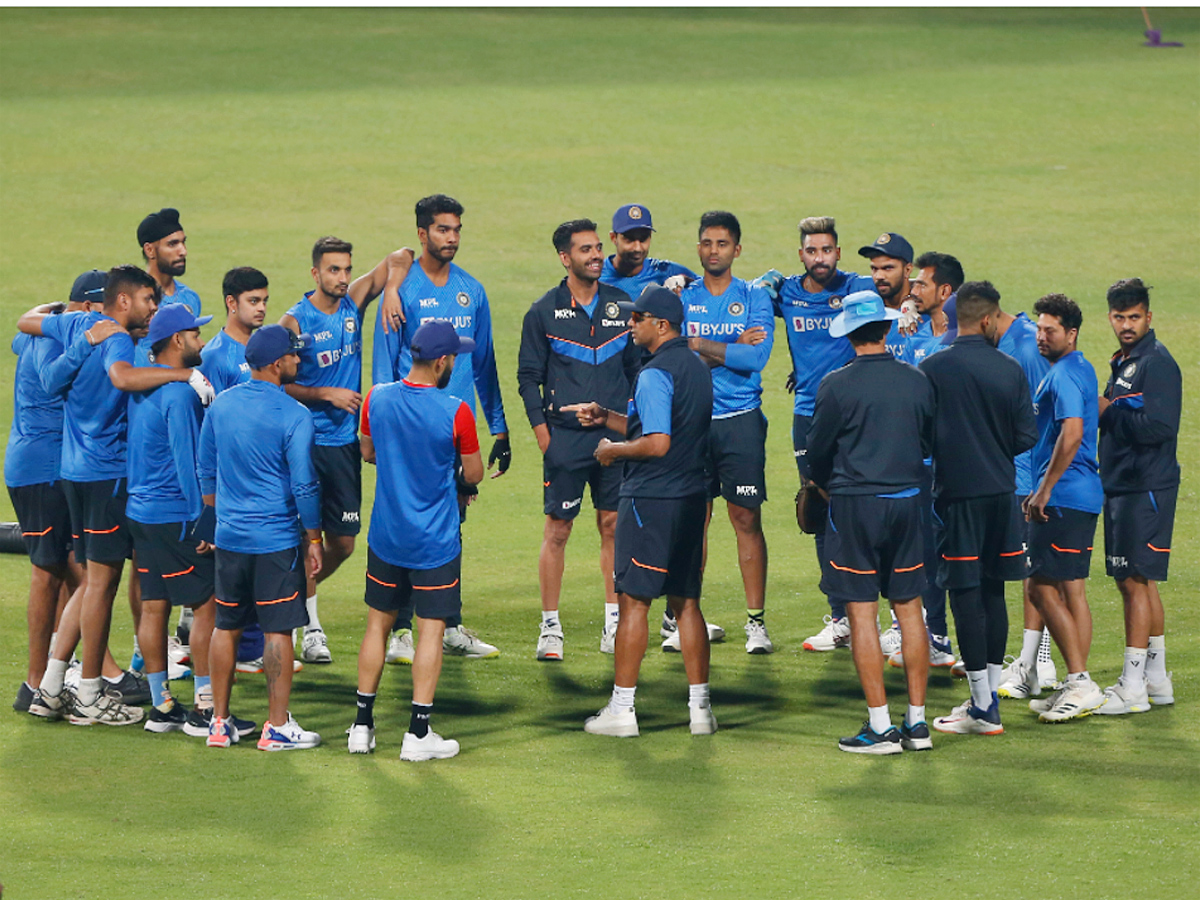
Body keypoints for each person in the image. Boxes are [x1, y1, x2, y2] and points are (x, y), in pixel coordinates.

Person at [23, 265, 212, 725]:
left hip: (71, 471)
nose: (154, 307)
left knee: (90, 582)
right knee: (101, 585)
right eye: (149, 299)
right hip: (107, 474)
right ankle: (88, 691)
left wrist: (73, 336)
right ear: (123, 301)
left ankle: (49, 687)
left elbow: (28, 327)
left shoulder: (76, 323)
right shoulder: (119, 341)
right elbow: (124, 378)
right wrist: (180, 377)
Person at [569, 286, 716, 737]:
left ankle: (622, 710)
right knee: (687, 602)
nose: (630, 324)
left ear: (662, 326)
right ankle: (700, 711)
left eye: (639, 318)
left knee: (634, 602)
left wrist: (614, 450)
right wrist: (609, 417)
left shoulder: (653, 374)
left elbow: (656, 442)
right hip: (693, 500)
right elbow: (668, 424)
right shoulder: (696, 367)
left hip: (651, 502)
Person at [372, 194, 505, 662]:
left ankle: (448, 624)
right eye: (443, 230)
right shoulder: (401, 288)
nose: (451, 238)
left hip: (455, 430)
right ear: (422, 233)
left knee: (450, 526)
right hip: (407, 427)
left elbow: (485, 363)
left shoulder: (472, 290)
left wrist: (500, 428)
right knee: (408, 524)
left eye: (457, 230)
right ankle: (402, 631)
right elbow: (383, 367)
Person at [806, 291, 934, 754]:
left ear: (848, 333)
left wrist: (819, 483)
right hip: (908, 503)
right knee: (909, 610)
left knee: (862, 611)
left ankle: (880, 728)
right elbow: (927, 439)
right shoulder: (917, 379)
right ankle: (917, 725)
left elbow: (818, 454)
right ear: (883, 329)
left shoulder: (835, 385)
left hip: (856, 507)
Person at [349, 320, 484, 760]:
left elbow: (366, 451)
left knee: (377, 626)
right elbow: (474, 472)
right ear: (442, 361)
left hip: (387, 536)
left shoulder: (377, 398)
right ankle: (417, 734)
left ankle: (361, 727)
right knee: (428, 631)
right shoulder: (456, 411)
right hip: (434, 543)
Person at [280, 236, 411, 664]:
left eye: (346, 269)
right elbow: (278, 382)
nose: (341, 278)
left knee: (345, 542)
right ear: (314, 273)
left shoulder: (354, 304)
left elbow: (401, 255)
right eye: (332, 270)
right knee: (309, 536)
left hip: (344, 447)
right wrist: (326, 395)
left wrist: (389, 288)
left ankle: (290, 596)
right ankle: (311, 628)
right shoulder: (295, 322)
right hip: (307, 443)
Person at [517, 219, 642, 661]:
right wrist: (542, 435)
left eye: (596, 248)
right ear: (564, 258)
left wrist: (631, 423)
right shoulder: (544, 311)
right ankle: (550, 627)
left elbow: (636, 370)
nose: (594, 256)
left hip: (614, 438)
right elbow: (528, 376)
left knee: (613, 526)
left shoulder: (622, 306)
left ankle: (613, 622)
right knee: (558, 530)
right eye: (584, 250)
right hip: (565, 441)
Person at [918, 282, 1038, 736]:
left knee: (964, 593)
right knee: (993, 591)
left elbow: (921, 433)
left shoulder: (932, 368)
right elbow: (1026, 436)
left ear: (957, 320)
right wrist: (990, 445)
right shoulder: (1009, 368)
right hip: (1002, 496)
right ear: (989, 319)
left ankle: (983, 708)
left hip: (957, 498)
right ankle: (985, 698)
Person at [199, 324, 322, 750]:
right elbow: (305, 486)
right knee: (277, 632)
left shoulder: (222, 406)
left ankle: (218, 722)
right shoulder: (295, 414)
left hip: (230, 539)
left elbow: (205, 469)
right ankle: (276, 726)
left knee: (226, 625)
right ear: (275, 364)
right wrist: (315, 537)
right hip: (274, 541)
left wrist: (218, 518)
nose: (298, 360)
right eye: (293, 355)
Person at [754, 216, 873, 653]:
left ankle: (883, 616)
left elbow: (901, 289)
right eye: (811, 251)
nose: (819, 258)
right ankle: (840, 617)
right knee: (818, 510)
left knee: (866, 507)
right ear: (800, 254)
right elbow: (744, 295)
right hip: (809, 414)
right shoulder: (784, 291)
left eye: (826, 250)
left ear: (838, 252)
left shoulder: (858, 285)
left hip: (858, 412)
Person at [124, 304, 230, 735]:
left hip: (140, 513)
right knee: (207, 605)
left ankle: (161, 706)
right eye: (194, 334)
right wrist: (204, 519)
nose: (201, 341)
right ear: (176, 341)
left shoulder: (145, 388)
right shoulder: (181, 395)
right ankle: (205, 708)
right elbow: (188, 466)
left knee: (154, 605)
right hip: (175, 515)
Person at [678, 211, 775, 654]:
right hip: (692, 421)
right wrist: (729, 347)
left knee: (745, 518)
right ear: (698, 248)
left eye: (721, 243)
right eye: (706, 243)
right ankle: (686, 618)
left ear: (737, 250)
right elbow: (676, 358)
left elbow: (755, 361)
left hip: (740, 421)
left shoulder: (754, 297)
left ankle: (756, 622)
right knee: (692, 521)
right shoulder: (683, 297)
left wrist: (699, 346)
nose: (713, 250)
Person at [6, 270, 102, 712]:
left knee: (69, 566)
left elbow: (16, 339)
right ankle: (35, 682)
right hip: (42, 469)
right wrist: (80, 339)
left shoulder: (46, 329)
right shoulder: (59, 340)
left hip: (40, 465)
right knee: (50, 571)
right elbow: (48, 381)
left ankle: (62, 674)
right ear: (86, 307)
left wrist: (49, 312)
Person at [1094, 278, 1180, 714]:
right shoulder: (1125, 361)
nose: (1126, 325)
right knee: (1140, 580)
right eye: (1119, 317)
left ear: (1148, 317)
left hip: (1143, 487)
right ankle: (1157, 679)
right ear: (1110, 317)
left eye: (1133, 317)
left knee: (1132, 582)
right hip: (1127, 484)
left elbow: (1161, 428)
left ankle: (1132, 687)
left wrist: (1108, 414)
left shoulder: (1156, 363)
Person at [1023, 294, 1106, 723]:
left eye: (1049, 330)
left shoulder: (1065, 375)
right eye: (1038, 328)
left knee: (1039, 587)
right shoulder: (1077, 367)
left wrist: (1044, 489)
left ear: (1070, 334)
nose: (1041, 336)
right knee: (1069, 589)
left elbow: (1072, 433)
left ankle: (1079, 682)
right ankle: (1076, 683)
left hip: (1065, 496)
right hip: (1077, 495)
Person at [993, 300, 1058, 697]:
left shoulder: (1028, 347)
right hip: (1015, 475)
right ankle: (1029, 661)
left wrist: (1041, 483)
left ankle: (1042, 662)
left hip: (1031, 478)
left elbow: (1046, 415)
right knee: (1026, 569)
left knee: (1037, 571)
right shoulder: (1009, 344)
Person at [135, 208, 202, 363]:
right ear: (150, 250)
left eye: (183, 242)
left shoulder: (190, 298)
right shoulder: (135, 301)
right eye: (173, 244)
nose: (183, 251)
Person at [599, 203, 697, 300]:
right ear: (613, 238)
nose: (637, 248)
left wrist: (685, 280)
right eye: (629, 239)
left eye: (643, 239)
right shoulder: (596, 275)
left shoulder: (665, 271)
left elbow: (708, 286)